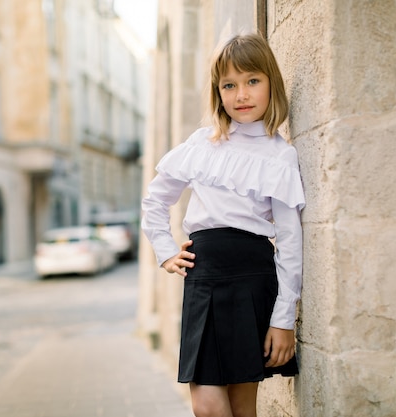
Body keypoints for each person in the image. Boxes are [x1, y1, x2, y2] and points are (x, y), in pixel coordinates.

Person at [141, 32, 305, 417]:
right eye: (229, 85)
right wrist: (165, 250)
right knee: (208, 406)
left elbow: (291, 241)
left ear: (271, 84)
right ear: (218, 92)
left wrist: (283, 320)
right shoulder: (203, 143)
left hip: (253, 278)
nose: (241, 94)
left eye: (252, 81)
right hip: (205, 277)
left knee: (243, 407)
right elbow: (155, 200)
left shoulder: (280, 156)